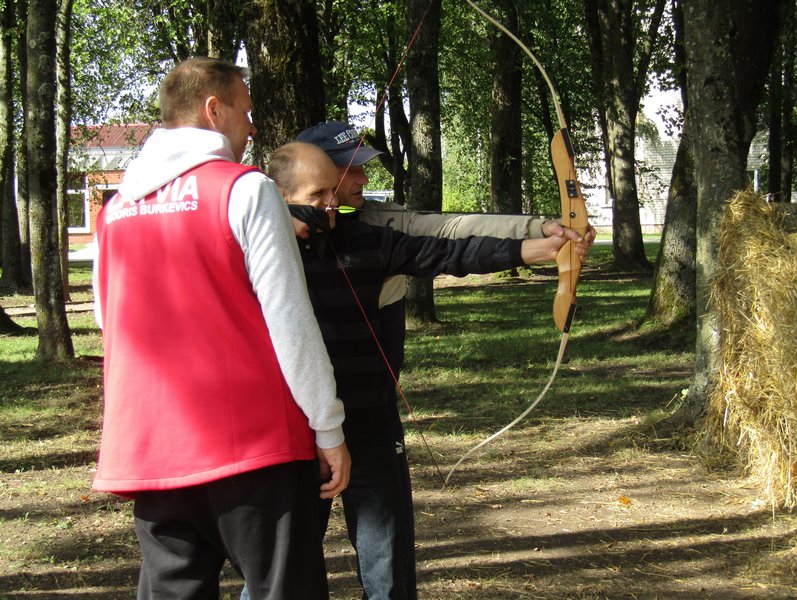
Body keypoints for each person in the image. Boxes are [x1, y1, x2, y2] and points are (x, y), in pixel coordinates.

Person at [264, 141, 593, 600]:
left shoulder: (364, 239)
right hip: (292, 434)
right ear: (280, 196)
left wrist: (541, 247)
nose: (331, 203)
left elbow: (446, 252)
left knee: (387, 565)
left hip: (367, 421)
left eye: (332, 191)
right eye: (317, 195)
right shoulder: (257, 253)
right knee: (282, 572)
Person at [92, 58, 350, 599]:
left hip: (154, 451)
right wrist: (328, 428)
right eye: (246, 111)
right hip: (254, 448)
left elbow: (107, 319)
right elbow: (291, 323)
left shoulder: (114, 209)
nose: (251, 127)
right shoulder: (246, 189)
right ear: (214, 110)